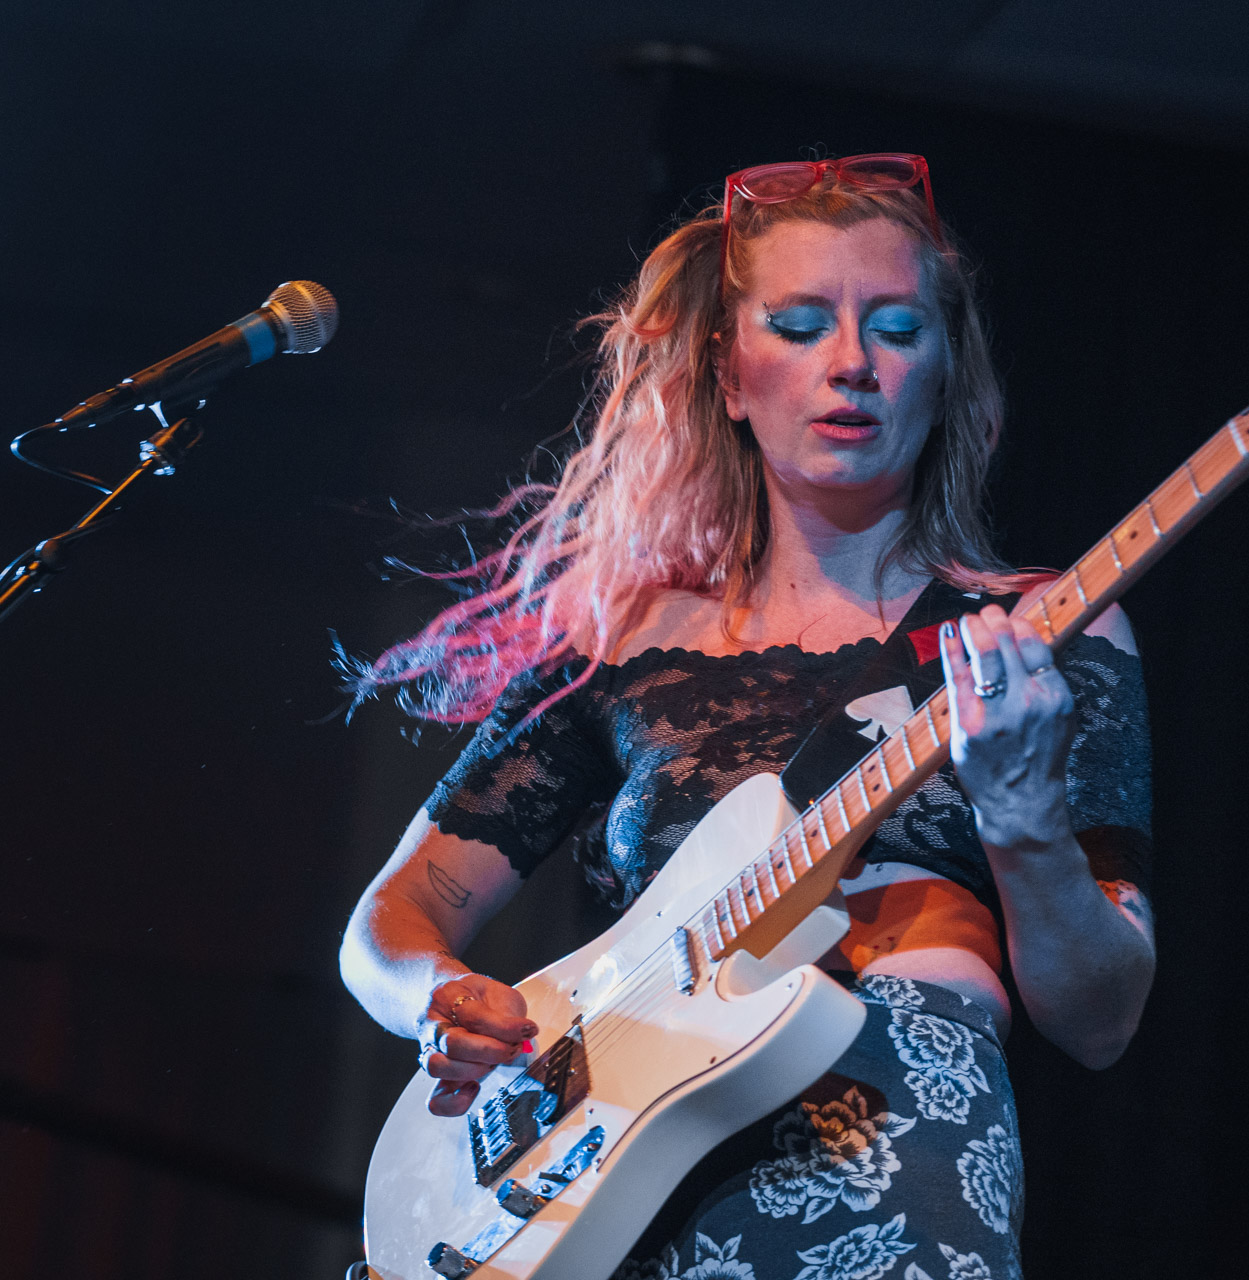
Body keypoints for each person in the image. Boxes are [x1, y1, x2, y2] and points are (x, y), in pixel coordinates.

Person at [340, 153, 1155, 1279]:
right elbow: (392, 918)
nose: (853, 363)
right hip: (615, 1164)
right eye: (802, 325)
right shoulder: (623, 642)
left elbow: (1102, 1015)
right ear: (730, 373)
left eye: (898, 329)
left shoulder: (1036, 629)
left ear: (942, 371)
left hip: (896, 1143)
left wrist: (1022, 818)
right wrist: (440, 999)